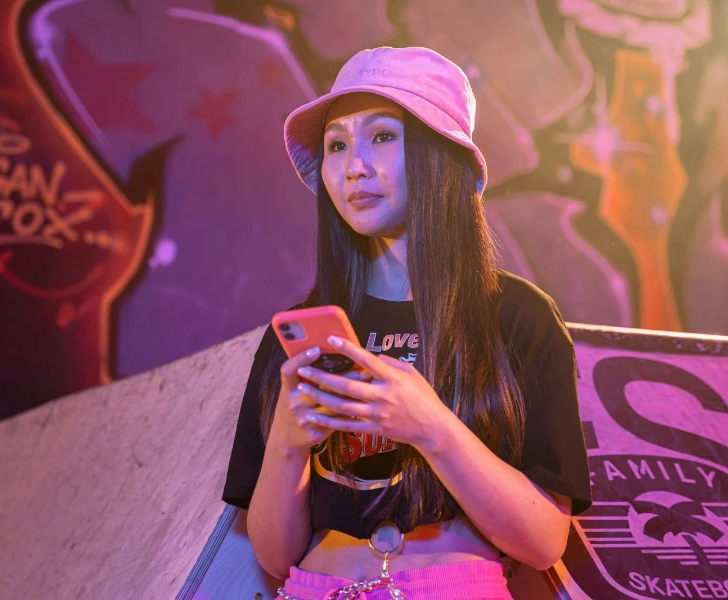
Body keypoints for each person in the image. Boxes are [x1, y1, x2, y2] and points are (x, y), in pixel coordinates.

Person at [222, 46, 592, 600]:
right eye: (337, 145)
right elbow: (275, 557)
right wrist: (287, 441)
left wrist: (429, 425)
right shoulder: (299, 333)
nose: (355, 166)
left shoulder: (517, 317)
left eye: (382, 136)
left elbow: (543, 542)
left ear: (440, 155)